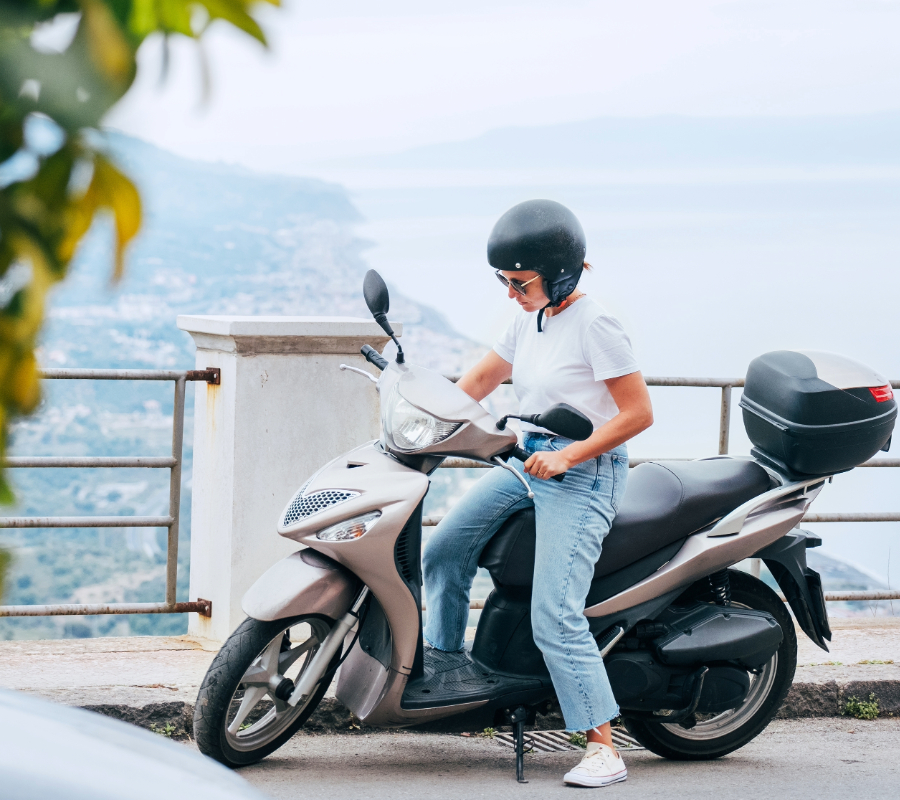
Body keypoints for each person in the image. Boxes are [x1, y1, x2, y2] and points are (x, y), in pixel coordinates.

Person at [423, 199, 653, 788]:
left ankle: (603, 746)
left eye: (518, 282)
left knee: (554, 612)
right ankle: (445, 668)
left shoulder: (595, 324)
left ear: (561, 274)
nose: (509, 292)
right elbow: (477, 382)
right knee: (444, 551)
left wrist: (569, 455)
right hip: (525, 458)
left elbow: (637, 414)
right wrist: (421, 426)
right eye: (503, 281)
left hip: (583, 471)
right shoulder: (531, 316)